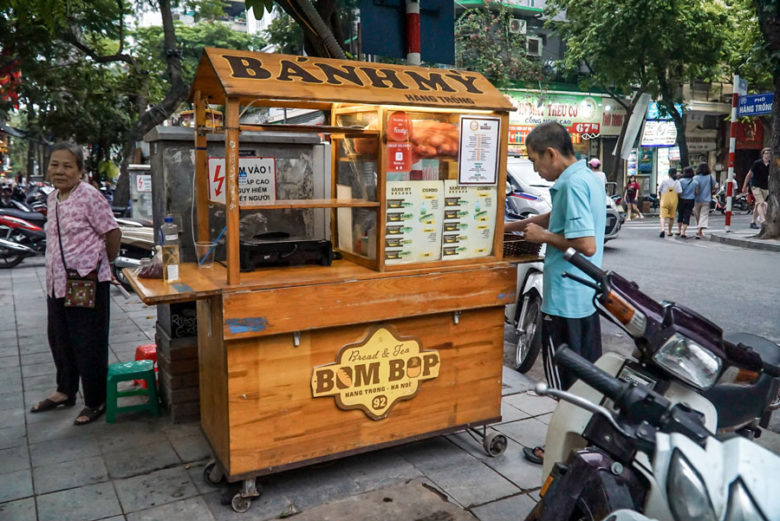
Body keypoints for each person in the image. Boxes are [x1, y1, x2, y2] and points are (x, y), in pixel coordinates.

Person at [505, 122, 606, 464]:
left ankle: (561, 451)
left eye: (535, 161)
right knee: (586, 381)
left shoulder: (570, 184)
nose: (535, 168)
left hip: (565, 300)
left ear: (551, 153)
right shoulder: (586, 177)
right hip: (583, 298)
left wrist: (542, 238)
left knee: (566, 385)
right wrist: (515, 226)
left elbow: (586, 245)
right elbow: (558, 217)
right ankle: (586, 446)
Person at [30, 142, 121, 426]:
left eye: (68, 166)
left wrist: (99, 263)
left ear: (80, 171)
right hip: (56, 284)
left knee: (88, 343)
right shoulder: (54, 197)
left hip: (87, 283)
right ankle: (65, 391)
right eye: (55, 164)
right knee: (60, 339)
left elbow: (112, 233)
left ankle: (96, 400)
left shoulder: (89, 196)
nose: (60, 171)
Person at [742, 147, 771, 229]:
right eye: (766, 153)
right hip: (755, 185)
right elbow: (749, 174)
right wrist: (744, 186)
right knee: (761, 203)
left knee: (757, 204)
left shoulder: (772, 164)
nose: (768, 155)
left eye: (769, 154)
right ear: (763, 154)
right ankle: (762, 220)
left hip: (765, 187)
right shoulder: (757, 163)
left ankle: (753, 222)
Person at [692, 162, 717, 239]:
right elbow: (715, 186)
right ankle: (700, 230)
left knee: (697, 215)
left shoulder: (695, 178)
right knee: (704, 215)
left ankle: (699, 230)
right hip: (706, 199)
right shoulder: (710, 177)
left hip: (696, 199)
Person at [657, 167, 681, 238]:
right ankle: (669, 232)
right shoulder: (677, 182)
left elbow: (659, 190)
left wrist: (660, 197)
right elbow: (680, 192)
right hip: (673, 201)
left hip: (664, 201)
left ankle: (662, 229)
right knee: (671, 217)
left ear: (668, 174)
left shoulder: (664, 181)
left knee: (662, 216)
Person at [676, 166, 696, 238]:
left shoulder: (680, 181)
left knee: (680, 214)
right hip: (691, 200)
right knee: (687, 215)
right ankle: (683, 232)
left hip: (681, 199)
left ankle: (678, 230)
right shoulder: (695, 182)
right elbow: (696, 192)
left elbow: (678, 191)